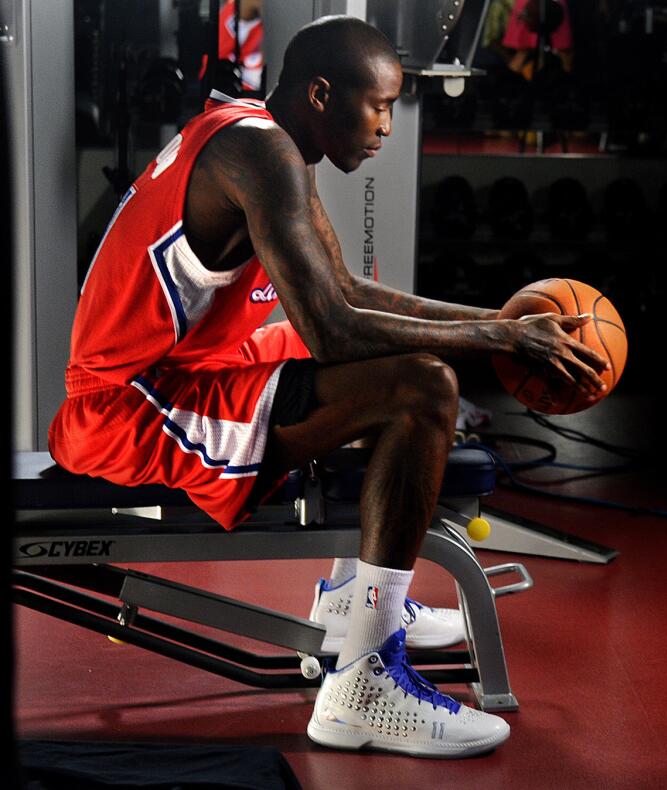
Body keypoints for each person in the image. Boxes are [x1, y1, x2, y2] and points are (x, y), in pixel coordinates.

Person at [49, 15, 609, 758]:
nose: (384, 126)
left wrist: (502, 320)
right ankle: (365, 685)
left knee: (401, 371)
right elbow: (334, 332)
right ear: (320, 94)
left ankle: (359, 601)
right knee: (421, 388)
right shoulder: (258, 154)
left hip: (187, 370)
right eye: (378, 106)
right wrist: (499, 339)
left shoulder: (267, 139)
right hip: (130, 406)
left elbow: (349, 294)